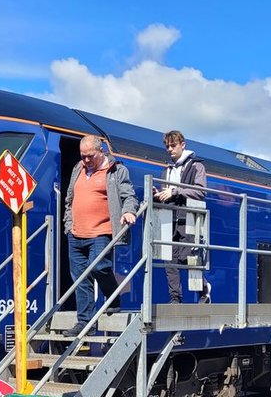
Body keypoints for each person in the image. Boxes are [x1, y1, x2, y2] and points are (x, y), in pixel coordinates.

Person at [63, 136, 139, 336]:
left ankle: (113, 297)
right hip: (76, 233)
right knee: (80, 278)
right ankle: (84, 322)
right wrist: (68, 225)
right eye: (83, 156)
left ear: (101, 151)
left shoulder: (116, 170)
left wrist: (129, 211)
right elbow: (70, 199)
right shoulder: (78, 168)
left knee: (99, 266)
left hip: (101, 232)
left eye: (90, 156)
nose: (86, 160)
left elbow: (129, 196)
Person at [154, 130, 210, 303]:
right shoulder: (166, 171)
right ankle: (175, 298)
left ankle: (204, 288)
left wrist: (176, 191)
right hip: (169, 218)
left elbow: (201, 191)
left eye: (173, 145)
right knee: (169, 259)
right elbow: (168, 194)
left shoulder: (196, 166)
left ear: (182, 144)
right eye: (167, 146)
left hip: (189, 219)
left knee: (188, 258)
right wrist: (159, 194)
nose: (170, 149)